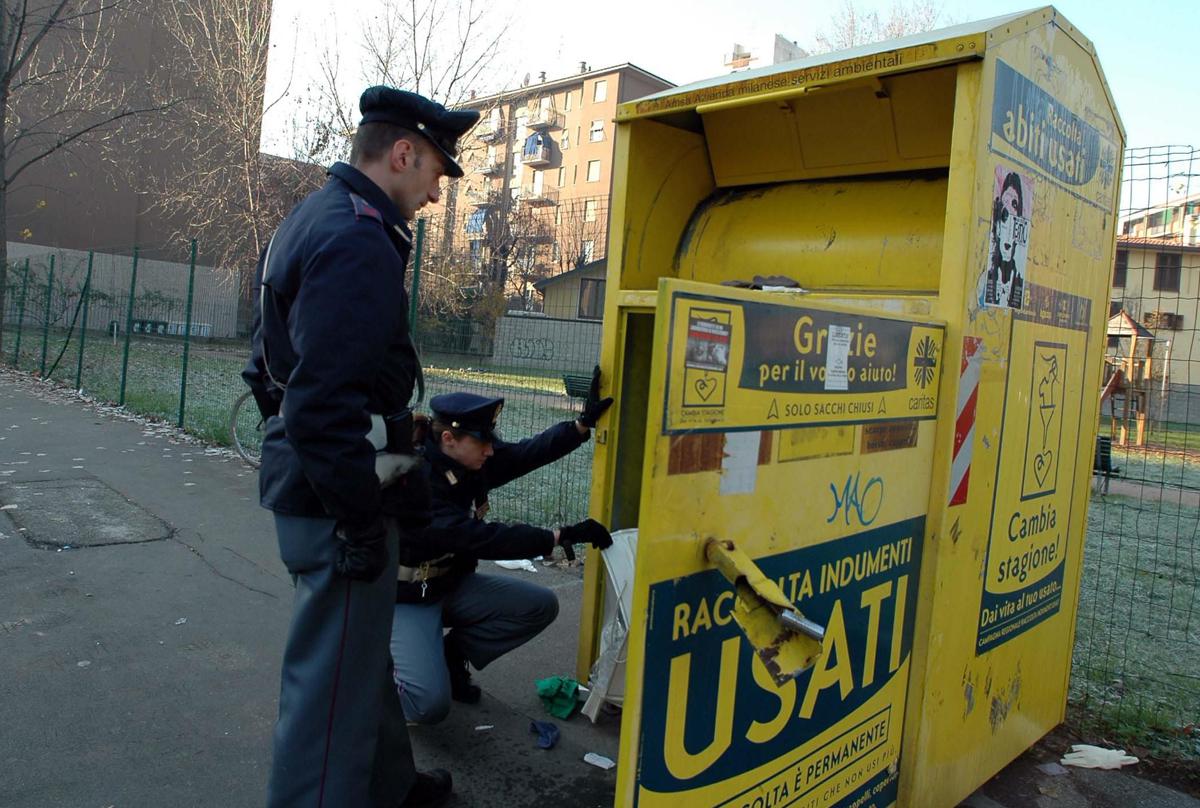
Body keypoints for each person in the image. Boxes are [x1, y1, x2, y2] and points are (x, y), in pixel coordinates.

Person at [242, 86, 478, 808]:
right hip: (338, 497)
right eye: (437, 173)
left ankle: (390, 786)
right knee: (327, 692)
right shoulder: (355, 237)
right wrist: (355, 517)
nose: (437, 193)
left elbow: (269, 367)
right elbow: (319, 403)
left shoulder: (316, 216)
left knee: (354, 659)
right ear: (402, 153)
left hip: (321, 479)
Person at [390, 372, 615, 724]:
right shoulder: (417, 480)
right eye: (483, 442)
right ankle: (376, 675)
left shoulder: (466, 460)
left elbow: (524, 454)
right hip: (406, 597)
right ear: (449, 438)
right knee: (427, 705)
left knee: (537, 606)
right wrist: (556, 536)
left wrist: (580, 426)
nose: (491, 449)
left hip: (448, 585)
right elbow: (484, 538)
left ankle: (449, 657)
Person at [985, 170, 1026, 309]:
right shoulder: (989, 272)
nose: (1007, 210)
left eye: (1014, 204)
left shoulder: (1018, 277)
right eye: (1005, 202)